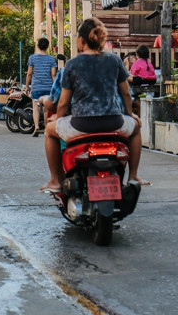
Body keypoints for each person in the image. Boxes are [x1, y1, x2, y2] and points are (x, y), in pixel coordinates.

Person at [41, 18, 144, 192]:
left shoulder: (72, 65)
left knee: (50, 132)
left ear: (81, 40)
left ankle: (55, 181)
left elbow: (64, 102)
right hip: (114, 123)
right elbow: (126, 93)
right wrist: (129, 114)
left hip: (81, 125)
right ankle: (133, 175)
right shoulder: (114, 60)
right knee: (136, 127)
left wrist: (57, 118)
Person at [26, 37, 57, 137]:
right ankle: (46, 128)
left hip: (36, 87)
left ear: (38, 46)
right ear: (47, 47)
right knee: (46, 109)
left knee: (36, 107)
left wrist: (27, 86)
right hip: (48, 87)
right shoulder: (51, 59)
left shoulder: (32, 58)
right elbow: (53, 75)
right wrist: (55, 87)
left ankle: (36, 127)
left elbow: (29, 73)